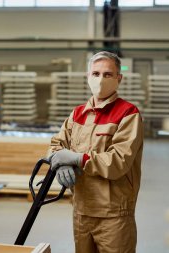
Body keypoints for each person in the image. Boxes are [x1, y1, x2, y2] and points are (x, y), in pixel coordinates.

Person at [49, 51, 144, 253]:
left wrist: (77, 158)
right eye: (96, 74)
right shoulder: (77, 113)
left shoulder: (128, 113)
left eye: (108, 74)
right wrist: (60, 163)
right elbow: (56, 144)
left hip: (114, 214)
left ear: (119, 78)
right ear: (88, 77)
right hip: (81, 210)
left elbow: (118, 162)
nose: (101, 80)